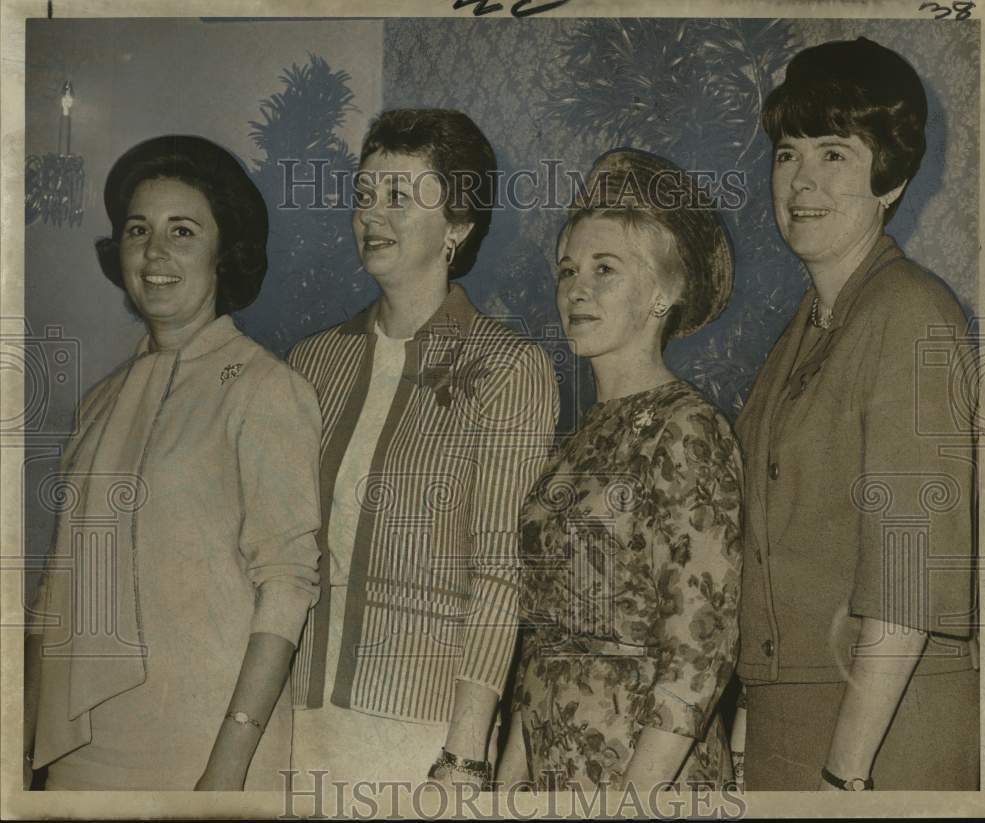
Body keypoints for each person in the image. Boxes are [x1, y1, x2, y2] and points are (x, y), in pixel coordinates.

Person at [23, 135, 322, 791]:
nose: (154, 251)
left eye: (181, 230)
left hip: (206, 751)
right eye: (138, 229)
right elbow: (54, 592)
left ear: (223, 254)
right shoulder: (99, 403)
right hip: (82, 750)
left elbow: (288, 586)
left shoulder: (263, 389)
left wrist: (226, 768)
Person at [287, 109, 559, 787]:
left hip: (422, 733)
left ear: (458, 227)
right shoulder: (310, 363)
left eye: (400, 197)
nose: (372, 215)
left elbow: (501, 573)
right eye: (364, 196)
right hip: (296, 717)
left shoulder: (509, 368)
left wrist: (465, 753)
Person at [736, 37, 978, 790]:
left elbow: (908, 582)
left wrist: (845, 774)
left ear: (892, 177)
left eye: (834, 153)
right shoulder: (808, 325)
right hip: (793, 724)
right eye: (786, 153)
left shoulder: (909, 314)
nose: (801, 180)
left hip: (880, 735)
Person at [496, 148, 743, 791]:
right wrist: (508, 787)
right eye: (568, 269)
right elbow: (540, 646)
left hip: (645, 779)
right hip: (553, 774)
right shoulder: (575, 442)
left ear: (666, 291)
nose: (577, 288)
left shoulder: (687, 429)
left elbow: (701, 651)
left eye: (606, 269)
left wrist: (633, 802)